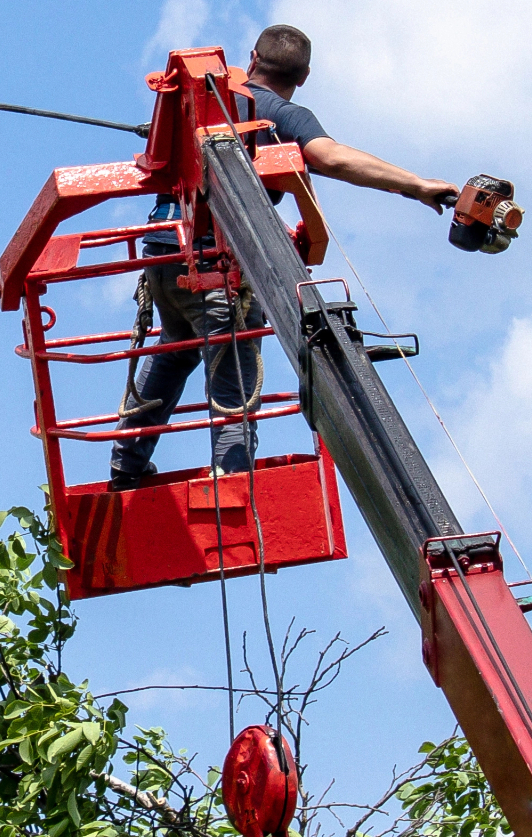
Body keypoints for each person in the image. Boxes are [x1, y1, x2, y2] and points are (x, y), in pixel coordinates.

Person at [108, 24, 459, 491]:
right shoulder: (280, 114)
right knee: (232, 367)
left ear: (252, 58)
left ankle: (127, 462)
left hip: (162, 248)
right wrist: (416, 184)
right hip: (214, 259)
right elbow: (331, 158)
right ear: (305, 75)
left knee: (175, 347)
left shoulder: (206, 99)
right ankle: (230, 480)